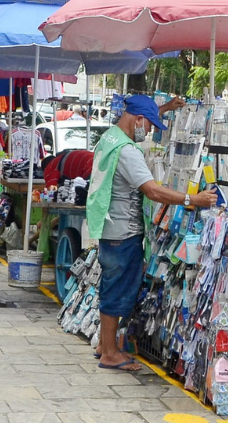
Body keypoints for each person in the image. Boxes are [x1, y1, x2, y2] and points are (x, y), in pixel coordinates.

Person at [87, 94, 213, 371]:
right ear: (138, 120)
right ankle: (110, 354)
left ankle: (104, 345)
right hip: (124, 232)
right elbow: (153, 191)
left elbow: (142, 112)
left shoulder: (109, 138)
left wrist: (165, 108)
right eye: (149, 124)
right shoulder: (127, 151)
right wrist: (193, 199)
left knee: (110, 287)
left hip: (109, 228)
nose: (149, 132)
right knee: (117, 291)